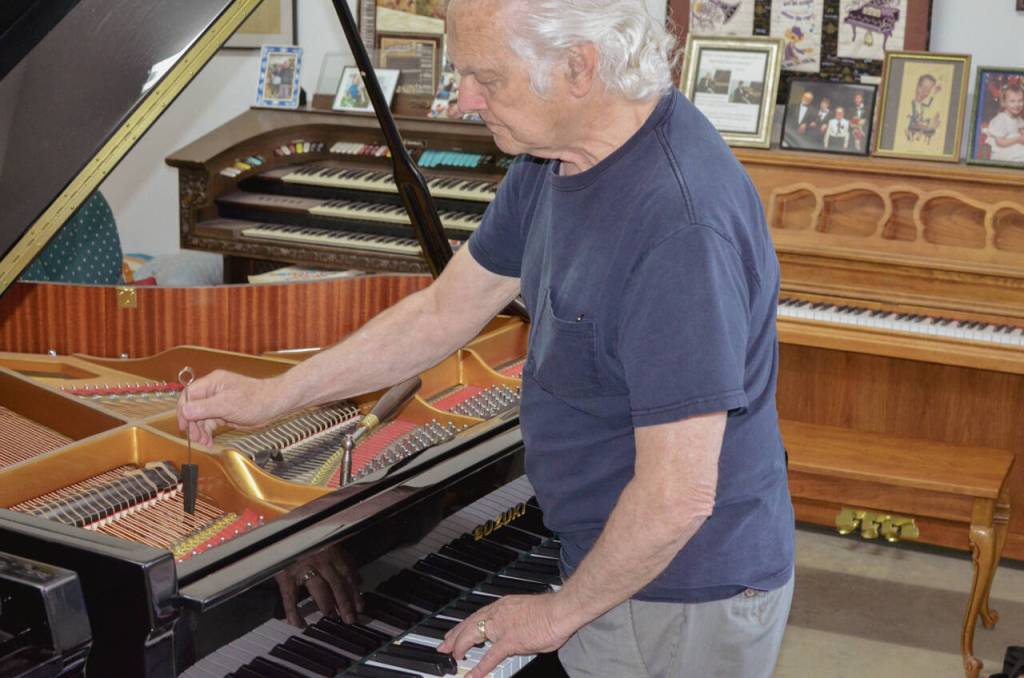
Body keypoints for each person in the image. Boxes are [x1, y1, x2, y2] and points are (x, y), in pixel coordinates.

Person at [178, 1, 795, 676]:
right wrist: (273, 396)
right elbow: (441, 312)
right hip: (610, 556)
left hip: (679, 595)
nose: (461, 100)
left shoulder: (679, 226)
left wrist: (558, 613)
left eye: (486, 78)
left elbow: (678, 495)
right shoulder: (552, 160)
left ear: (578, 68)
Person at [987, 83, 1024, 163]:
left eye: (1020, 100)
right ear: (1004, 103)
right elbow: (1000, 142)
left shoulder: (1018, 118)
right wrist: (1018, 139)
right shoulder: (1001, 120)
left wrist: (1022, 133)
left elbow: (1020, 129)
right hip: (1003, 151)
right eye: (1012, 101)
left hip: (1014, 146)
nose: (1017, 104)